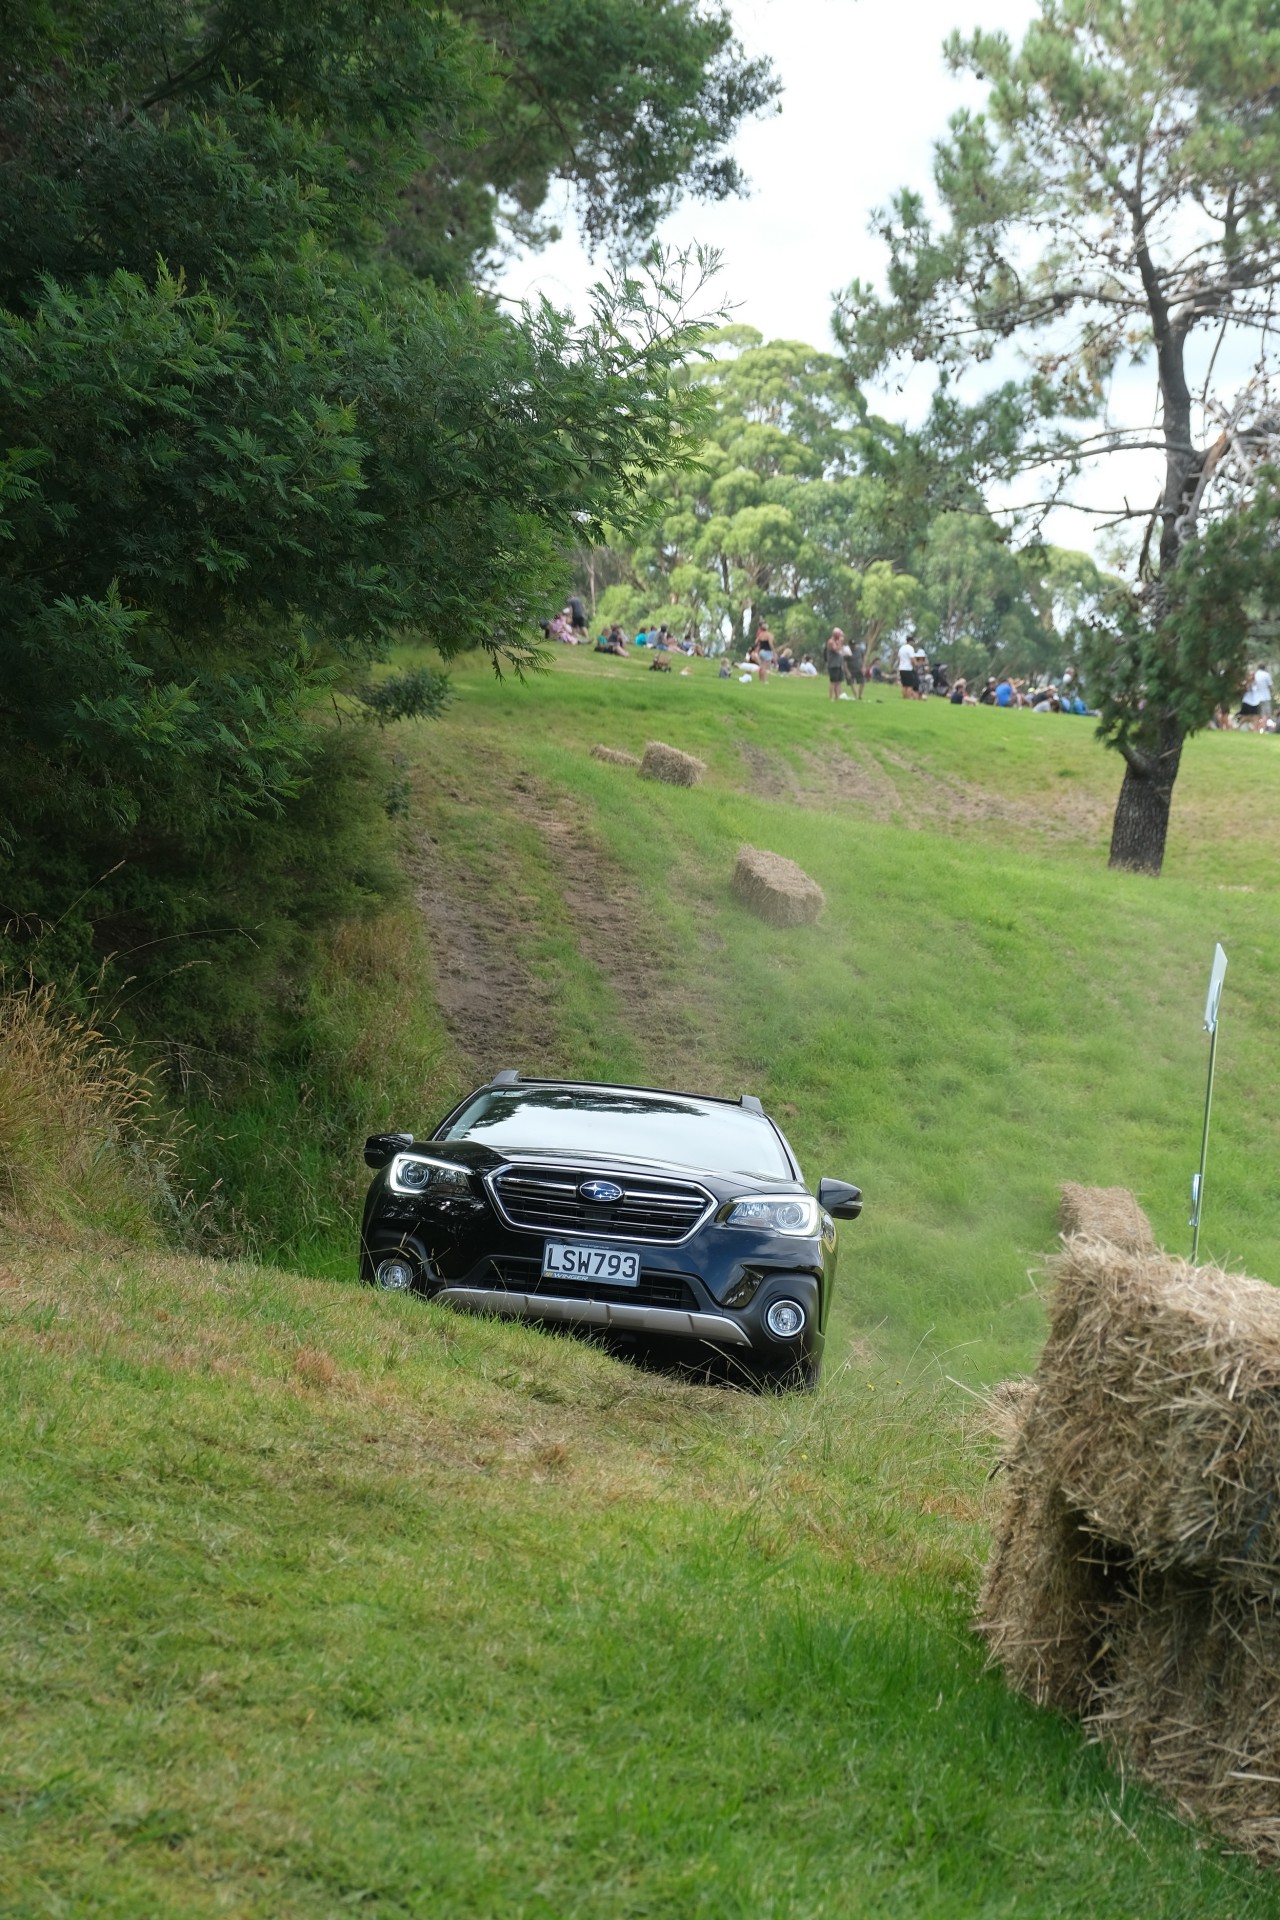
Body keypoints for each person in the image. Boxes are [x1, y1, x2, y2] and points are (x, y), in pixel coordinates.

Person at [826, 628, 848, 701]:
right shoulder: (831, 642)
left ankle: (837, 696)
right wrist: (840, 643)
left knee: (838, 681)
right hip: (833, 664)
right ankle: (831, 697)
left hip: (838, 664)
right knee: (833, 681)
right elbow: (836, 649)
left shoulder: (837, 642)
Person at [897, 632, 921, 699]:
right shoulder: (910, 648)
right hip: (908, 669)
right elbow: (912, 659)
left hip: (901, 668)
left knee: (904, 685)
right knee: (909, 685)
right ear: (911, 641)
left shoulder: (902, 648)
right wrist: (916, 664)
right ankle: (907, 698)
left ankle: (904, 697)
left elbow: (899, 658)